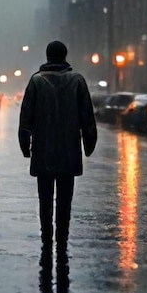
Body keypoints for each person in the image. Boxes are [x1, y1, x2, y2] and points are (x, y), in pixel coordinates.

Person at [18, 40, 97, 268]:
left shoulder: (36, 81)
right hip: (69, 150)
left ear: (48, 56)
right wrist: (88, 144)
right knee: (65, 199)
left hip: (42, 151)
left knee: (45, 199)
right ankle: (62, 239)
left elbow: (26, 118)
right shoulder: (77, 81)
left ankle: (47, 238)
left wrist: (25, 146)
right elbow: (87, 117)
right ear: (64, 56)